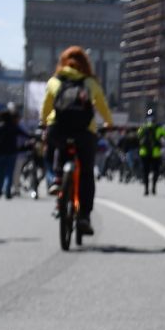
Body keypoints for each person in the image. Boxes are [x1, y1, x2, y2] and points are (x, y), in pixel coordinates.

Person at [41, 46, 115, 237]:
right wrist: (109, 123)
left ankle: (57, 180)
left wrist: (44, 123)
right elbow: (102, 106)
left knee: (56, 149)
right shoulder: (90, 82)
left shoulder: (55, 81)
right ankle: (83, 216)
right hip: (84, 132)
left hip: (58, 128)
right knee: (86, 173)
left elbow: (47, 106)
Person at [0, 107, 26, 198]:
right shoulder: (14, 127)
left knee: (0, 172)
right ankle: (7, 191)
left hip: (0, 153)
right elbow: (25, 134)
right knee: (9, 173)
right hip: (12, 152)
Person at [137, 108, 165, 195]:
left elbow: (138, 135)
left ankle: (146, 189)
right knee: (156, 171)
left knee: (145, 171)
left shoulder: (143, 127)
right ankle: (153, 187)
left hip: (144, 152)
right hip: (155, 152)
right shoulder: (159, 128)